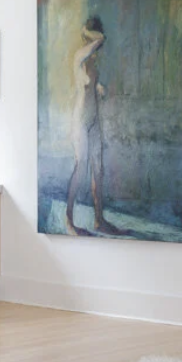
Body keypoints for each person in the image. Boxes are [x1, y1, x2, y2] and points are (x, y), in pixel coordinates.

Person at [65, 17, 122, 237]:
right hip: (80, 120)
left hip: (94, 121)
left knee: (98, 170)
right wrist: (90, 33)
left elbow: (87, 82)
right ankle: (69, 220)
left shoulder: (92, 61)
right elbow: (101, 40)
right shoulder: (80, 55)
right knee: (81, 167)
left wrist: (98, 87)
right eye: (93, 34)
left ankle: (99, 219)